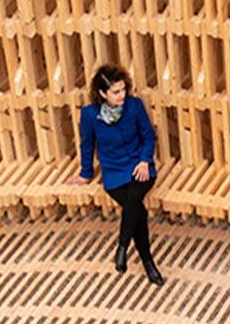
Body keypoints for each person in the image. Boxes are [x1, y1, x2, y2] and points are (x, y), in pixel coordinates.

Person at [66, 64, 164, 285]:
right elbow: (87, 145)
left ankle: (123, 247)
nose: (122, 95)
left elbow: (149, 136)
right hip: (113, 171)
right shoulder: (90, 115)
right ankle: (147, 263)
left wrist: (144, 160)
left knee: (134, 201)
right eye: (116, 92)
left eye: (123, 89)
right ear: (102, 93)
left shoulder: (135, 106)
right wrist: (85, 174)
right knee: (137, 209)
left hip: (139, 165)